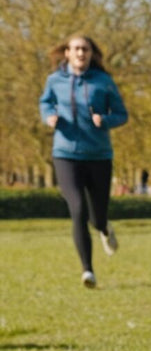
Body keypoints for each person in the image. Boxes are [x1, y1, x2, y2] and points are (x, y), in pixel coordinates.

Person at [39, 33, 128, 288]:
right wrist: (49, 116)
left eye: (85, 49)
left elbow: (122, 114)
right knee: (77, 209)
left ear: (91, 54)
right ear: (66, 52)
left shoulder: (104, 82)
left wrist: (106, 120)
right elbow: (45, 102)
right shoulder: (54, 81)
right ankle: (88, 270)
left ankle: (104, 227)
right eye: (76, 49)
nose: (81, 53)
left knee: (96, 217)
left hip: (99, 155)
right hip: (65, 154)